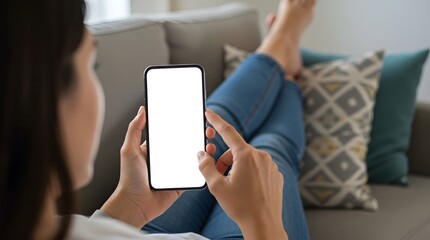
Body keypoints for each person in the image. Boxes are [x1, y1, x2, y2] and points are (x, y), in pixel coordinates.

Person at [0, 0, 315, 239]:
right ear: (42, 100)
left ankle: (282, 55)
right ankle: (285, 66)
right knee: (270, 150)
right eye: (92, 67)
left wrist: (128, 207)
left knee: (215, 122)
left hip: (135, 224)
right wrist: (266, 226)